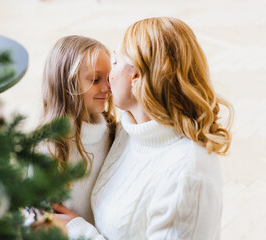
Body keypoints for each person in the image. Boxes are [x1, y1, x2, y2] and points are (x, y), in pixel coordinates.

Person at [53, 17, 233, 240]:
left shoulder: (187, 176)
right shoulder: (129, 130)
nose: (109, 76)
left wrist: (77, 231)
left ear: (135, 76)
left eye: (116, 62)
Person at [41, 35, 116, 225]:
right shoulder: (48, 148)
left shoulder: (115, 132)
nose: (107, 88)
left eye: (108, 78)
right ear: (66, 83)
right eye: (95, 79)